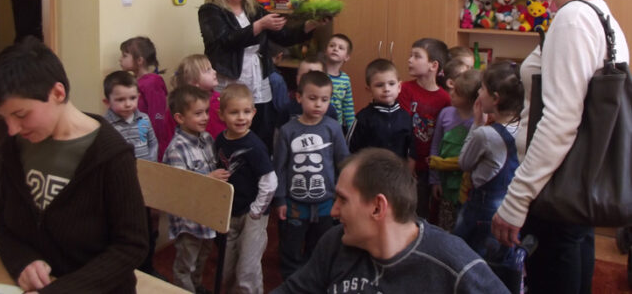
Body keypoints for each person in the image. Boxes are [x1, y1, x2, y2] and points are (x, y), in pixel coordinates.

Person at [492, 0, 630, 294]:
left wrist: (517, 199)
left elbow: (560, 120)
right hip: (579, 178)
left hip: (556, 182)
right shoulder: (600, 13)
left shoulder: (571, 21)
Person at [0, 39, 148, 293]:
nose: (12, 129)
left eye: (20, 115)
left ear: (58, 93)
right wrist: (22, 262)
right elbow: (3, 226)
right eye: (5, 118)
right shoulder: (15, 147)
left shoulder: (111, 155)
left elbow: (131, 246)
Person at [271, 148, 509, 294]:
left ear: (378, 207)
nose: (333, 211)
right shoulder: (336, 242)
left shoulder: (453, 264)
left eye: (343, 200)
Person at [198, 0, 328, 154]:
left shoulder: (254, 10)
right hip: (231, 81)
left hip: (258, 79)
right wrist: (259, 26)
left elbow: (284, 36)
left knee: (262, 131)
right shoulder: (209, 11)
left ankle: (262, 167)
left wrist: (310, 25)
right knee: (232, 133)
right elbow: (225, 40)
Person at [273, 71, 349, 279]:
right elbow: (279, 167)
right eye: (312, 98)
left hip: (326, 202)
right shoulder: (288, 131)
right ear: (299, 97)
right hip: (295, 204)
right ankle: (291, 282)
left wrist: (343, 196)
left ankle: (314, 281)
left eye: (324, 99)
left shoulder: (333, 128)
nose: (318, 105)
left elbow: (344, 162)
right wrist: (280, 199)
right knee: (290, 247)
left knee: (321, 246)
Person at [453, 62, 522, 264]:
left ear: (495, 98)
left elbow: (464, 163)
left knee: (464, 257)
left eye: (482, 89)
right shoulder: (523, 129)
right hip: (510, 209)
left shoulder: (485, 134)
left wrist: (477, 123)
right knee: (496, 262)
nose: (478, 93)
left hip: (480, 212)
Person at [164, 85, 231, 293]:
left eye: (206, 112)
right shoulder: (176, 148)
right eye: (198, 113)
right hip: (188, 221)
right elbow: (180, 186)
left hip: (207, 216)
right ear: (180, 118)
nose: (205, 117)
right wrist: (209, 178)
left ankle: (197, 286)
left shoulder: (207, 139)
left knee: (202, 257)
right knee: (186, 263)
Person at [214, 84, 277, 293]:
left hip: (252, 215)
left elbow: (270, 181)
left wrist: (256, 211)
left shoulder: (255, 145)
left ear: (254, 113)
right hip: (229, 213)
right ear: (221, 115)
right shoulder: (220, 141)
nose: (241, 117)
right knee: (226, 268)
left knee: (247, 270)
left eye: (246, 111)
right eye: (234, 112)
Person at [102, 70, 160, 275]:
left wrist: (150, 165)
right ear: (107, 101)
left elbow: (153, 143)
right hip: (123, 187)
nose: (128, 104)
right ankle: (128, 269)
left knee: (147, 227)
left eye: (132, 98)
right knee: (126, 229)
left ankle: (147, 267)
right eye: (120, 100)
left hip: (146, 183)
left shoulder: (143, 119)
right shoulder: (106, 126)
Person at [398, 38, 451, 220]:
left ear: (433, 65)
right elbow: (403, 128)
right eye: (410, 55)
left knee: (426, 213)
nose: (410, 60)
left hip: (431, 167)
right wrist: (409, 159)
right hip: (406, 163)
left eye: (417, 56)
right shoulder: (404, 89)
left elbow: (444, 136)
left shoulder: (445, 99)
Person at [429, 68, 481, 230]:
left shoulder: (478, 121)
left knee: (461, 224)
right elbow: (435, 145)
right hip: (444, 181)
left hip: (466, 185)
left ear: (471, 100)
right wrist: (435, 180)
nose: (451, 94)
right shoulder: (445, 114)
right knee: (445, 223)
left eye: (457, 93)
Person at [346, 58, 413, 162]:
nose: (386, 89)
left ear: (399, 87)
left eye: (391, 84)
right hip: (369, 169)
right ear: (369, 90)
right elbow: (350, 148)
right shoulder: (363, 117)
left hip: (398, 170)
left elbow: (411, 150)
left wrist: (409, 170)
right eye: (379, 85)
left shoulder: (406, 117)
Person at [120, 36, 169, 160]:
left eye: (124, 56)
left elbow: (157, 116)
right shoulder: (133, 82)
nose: (120, 59)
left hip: (148, 145)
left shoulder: (152, 83)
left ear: (139, 60)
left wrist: (151, 144)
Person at [171, 53, 225, 141]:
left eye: (212, 68)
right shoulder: (180, 106)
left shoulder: (221, 99)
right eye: (208, 70)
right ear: (194, 82)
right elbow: (169, 136)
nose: (214, 71)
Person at [324, 33, 355, 134]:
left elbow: (348, 107)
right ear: (325, 51)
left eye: (341, 48)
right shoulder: (318, 73)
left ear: (347, 57)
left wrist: (352, 131)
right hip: (318, 123)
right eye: (332, 45)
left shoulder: (345, 80)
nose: (335, 49)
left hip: (337, 127)